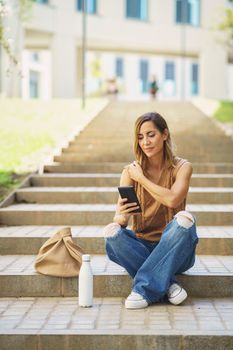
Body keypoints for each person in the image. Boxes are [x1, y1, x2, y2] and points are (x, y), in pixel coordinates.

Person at [103, 112, 198, 309]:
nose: (145, 142)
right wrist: (120, 217)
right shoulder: (130, 171)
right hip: (142, 245)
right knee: (112, 235)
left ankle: (143, 290)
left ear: (165, 135)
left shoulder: (182, 167)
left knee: (184, 219)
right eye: (140, 137)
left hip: (176, 250)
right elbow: (121, 218)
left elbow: (172, 200)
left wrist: (142, 180)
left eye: (151, 134)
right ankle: (169, 285)